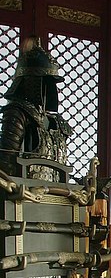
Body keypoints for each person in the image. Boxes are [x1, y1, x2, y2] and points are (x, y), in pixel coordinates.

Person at [0, 36, 71, 181]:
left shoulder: (57, 122)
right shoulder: (17, 113)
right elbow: (6, 164)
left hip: (57, 191)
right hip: (24, 191)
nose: (49, 89)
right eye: (45, 82)